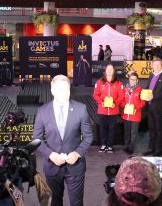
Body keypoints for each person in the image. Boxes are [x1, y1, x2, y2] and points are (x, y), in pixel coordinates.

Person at [33, 75, 93, 206]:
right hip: (52, 166)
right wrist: (50, 154)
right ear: (52, 90)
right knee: (54, 202)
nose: (64, 93)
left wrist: (77, 153)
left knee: (77, 203)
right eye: (60, 89)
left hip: (76, 167)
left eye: (67, 89)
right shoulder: (42, 111)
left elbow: (88, 136)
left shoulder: (81, 109)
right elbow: (36, 139)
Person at [143, 58, 162, 156]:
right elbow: (148, 87)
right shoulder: (151, 75)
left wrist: (153, 96)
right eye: (154, 65)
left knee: (159, 129)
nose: (156, 67)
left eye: (158, 65)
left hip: (159, 107)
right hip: (150, 106)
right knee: (151, 128)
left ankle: (158, 150)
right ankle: (151, 148)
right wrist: (144, 92)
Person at [93, 64, 124, 153]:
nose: (109, 71)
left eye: (111, 69)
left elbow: (121, 96)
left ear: (114, 71)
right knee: (102, 128)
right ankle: (103, 145)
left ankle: (110, 145)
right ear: (105, 71)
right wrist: (101, 102)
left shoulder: (118, 83)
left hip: (113, 111)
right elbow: (95, 95)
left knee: (112, 128)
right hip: (102, 110)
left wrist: (115, 103)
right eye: (108, 69)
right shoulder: (99, 82)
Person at [120, 72, 146, 155]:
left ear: (137, 80)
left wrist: (136, 108)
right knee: (127, 131)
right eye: (131, 79)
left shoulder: (140, 89)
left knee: (133, 133)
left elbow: (143, 102)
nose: (133, 81)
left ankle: (131, 148)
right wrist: (125, 106)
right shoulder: (124, 89)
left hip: (135, 114)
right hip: (126, 114)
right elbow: (121, 100)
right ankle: (126, 146)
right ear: (129, 79)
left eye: (135, 80)